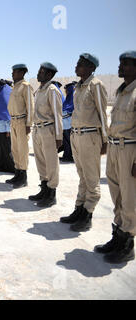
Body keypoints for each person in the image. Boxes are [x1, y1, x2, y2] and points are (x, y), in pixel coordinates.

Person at [94, 50, 136, 263]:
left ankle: (128, 245)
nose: (121, 67)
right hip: (114, 149)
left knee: (130, 199)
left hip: (130, 150)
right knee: (117, 195)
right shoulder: (121, 92)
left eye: (126, 63)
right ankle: (118, 235)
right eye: (120, 63)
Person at [60, 53, 109, 231]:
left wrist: (104, 139)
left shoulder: (96, 85)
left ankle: (88, 213)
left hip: (90, 136)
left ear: (91, 68)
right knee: (82, 176)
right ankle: (79, 209)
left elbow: (102, 114)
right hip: (77, 135)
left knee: (91, 178)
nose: (76, 66)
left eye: (80, 64)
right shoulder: (79, 87)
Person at [28, 62, 63, 208]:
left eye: (41, 72)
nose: (38, 74)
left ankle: (51, 194)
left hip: (48, 130)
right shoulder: (40, 90)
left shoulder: (52, 90)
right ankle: (44, 189)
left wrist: (59, 136)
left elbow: (57, 114)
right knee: (41, 162)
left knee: (51, 163)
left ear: (49, 75)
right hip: (38, 129)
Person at [6, 64, 35, 188]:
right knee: (15, 149)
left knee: (22, 150)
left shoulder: (26, 87)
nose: (12, 74)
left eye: (15, 72)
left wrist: (29, 124)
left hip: (22, 122)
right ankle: (17, 173)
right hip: (13, 121)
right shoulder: (15, 87)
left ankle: (23, 177)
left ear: (22, 73)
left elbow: (30, 106)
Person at [0, 80, 15, 174]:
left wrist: (8, 130)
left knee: (6, 149)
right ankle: (1, 165)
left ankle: (10, 167)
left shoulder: (4, 97)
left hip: (4, 130)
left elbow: (8, 116)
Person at [59, 81, 77, 162]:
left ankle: (69, 156)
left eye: (66, 90)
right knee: (66, 141)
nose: (65, 91)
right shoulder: (68, 99)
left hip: (69, 124)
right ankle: (67, 155)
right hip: (65, 124)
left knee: (70, 141)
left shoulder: (73, 99)